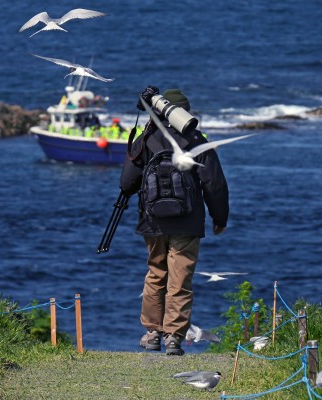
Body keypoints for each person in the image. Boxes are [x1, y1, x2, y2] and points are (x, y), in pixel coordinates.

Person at [120, 87, 229, 356]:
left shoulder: (147, 139)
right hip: (188, 223)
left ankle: (152, 333)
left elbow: (126, 182)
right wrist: (220, 218)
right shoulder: (196, 140)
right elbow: (214, 185)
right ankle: (174, 338)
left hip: (152, 222)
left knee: (156, 274)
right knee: (180, 281)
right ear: (186, 112)